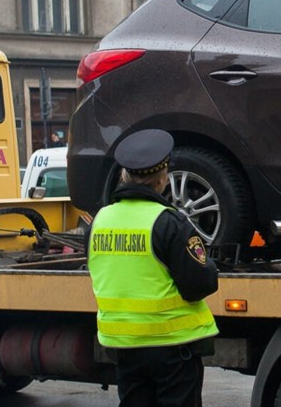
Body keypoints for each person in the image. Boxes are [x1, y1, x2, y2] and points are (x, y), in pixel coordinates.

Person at [88, 129, 219, 407]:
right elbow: (199, 285)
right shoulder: (169, 222)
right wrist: (210, 266)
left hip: (124, 346)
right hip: (172, 347)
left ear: (124, 174)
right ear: (162, 178)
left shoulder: (99, 220)